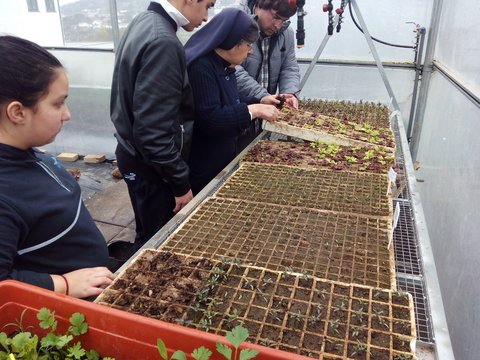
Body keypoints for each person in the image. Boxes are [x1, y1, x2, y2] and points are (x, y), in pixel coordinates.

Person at [0, 35, 114, 298]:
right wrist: (61, 284)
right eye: (58, 103)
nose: (67, 113)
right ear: (18, 113)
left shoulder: (26, 150)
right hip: (66, 313)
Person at [110, 0, 215, 251]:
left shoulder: (144, 21)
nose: (206, 17)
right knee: (157, 242)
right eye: (208, 5)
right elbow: (152, 131)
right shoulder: (163, 41)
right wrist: (180, 182)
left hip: (132, 153)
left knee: (147, 229)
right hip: (150, 165)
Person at [184, 7, 282, 195]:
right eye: (249, 45)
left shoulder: (224, 65)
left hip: (218, 160)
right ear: (232, 42)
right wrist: (254, 110)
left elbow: (229, 101)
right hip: (201, 166)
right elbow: (211, 118)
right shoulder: (200, 68)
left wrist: (261, 101)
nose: (251, 52)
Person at [235, 0, 300, 151]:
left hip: (262, 115)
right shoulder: (238, 24)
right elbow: (233, 71)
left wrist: (289, 94)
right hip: (237, 113)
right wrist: (263, 96)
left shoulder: (286, 33)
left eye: (284, 21)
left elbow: (289, 68)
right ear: (259, 4)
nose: (278, 25)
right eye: (276, 17)